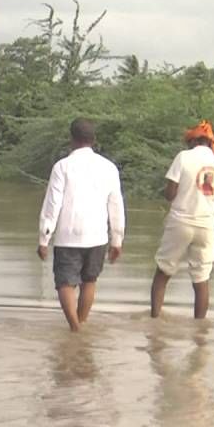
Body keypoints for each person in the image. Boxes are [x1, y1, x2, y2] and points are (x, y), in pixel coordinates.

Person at [36, 118, 126, 331]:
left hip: (69, 235)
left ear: (71, 139)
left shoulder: (62, 167)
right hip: (97, 236)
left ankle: (75, 327)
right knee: (89, 281)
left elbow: (52, 204)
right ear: (93, 140)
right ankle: (81, 324)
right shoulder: (109, 168)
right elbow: (116, 204)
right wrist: (117, 239)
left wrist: (44, 238)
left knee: (65, 283)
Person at [150, 121, 214, 320]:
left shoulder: (183, 157)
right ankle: (200, 331)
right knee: (201, 279)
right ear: (210, 143)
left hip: (181, 222)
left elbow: (170, 194)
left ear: (194, 141)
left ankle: (154, 321)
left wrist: (169, 191)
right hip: (207, 227)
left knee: (163, 273)